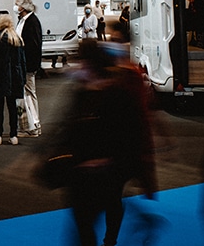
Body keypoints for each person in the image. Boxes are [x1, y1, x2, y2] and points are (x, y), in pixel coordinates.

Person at [57, 26, 156, 246]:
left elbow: (132, 129)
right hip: (84, 173)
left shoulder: (117, 91)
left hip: (107, 171)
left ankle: (111, 239)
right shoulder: (82, 92)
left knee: (102, 211)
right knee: (86, 223)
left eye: (81, 61)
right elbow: (68, 127)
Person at [0, 13, 25, 145]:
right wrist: (22, 78)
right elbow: (22, 61)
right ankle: (13, 135)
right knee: (12, 107)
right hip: (15, 78)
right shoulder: (17, 39)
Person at [16, 0, 43, 137]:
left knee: (30, 94)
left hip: (27, 65)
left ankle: (34, 126)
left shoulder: (32, 22)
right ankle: (28, 125)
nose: (16, 7)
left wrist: (29, 66)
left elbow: (34, 46)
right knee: (25, 95)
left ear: (23, 7)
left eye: (17, 4)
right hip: (22, 64)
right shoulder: (22, 20)